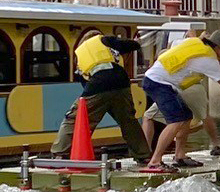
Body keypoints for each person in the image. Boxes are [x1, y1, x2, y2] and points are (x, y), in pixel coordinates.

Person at [139, 29, 220, 171]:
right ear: (219, 48)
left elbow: (182, 45)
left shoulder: (193, 42)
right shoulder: (209, 60)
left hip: (157, 80)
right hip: (158, 83)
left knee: (186, 116)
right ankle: (155, 162)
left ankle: (180, 156)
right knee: (176, 120)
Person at [50, 32, 150, 164]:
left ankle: (60, 153)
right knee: (128, 121)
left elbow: (85, 83)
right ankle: (143, 155)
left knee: (74, 118)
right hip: (122, 82)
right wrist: (135, 42)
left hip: (97, 84)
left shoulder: (80, 55)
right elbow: (130, 45)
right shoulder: (104, 40)